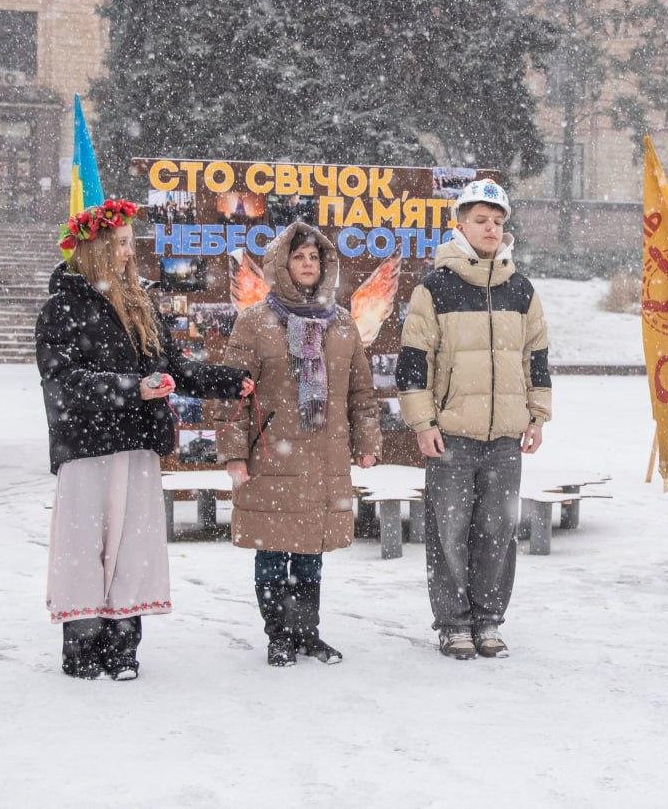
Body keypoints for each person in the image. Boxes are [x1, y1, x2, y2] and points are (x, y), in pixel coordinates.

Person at [36, 199, 252, 680]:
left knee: (132, 547)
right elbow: (62, 382)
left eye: (131, 244)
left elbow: (174, 369)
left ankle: (122, 649)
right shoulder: (62, 307)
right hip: (87, 448)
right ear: (94, 248)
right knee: (83, 546)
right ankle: (82, 648)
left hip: (137, 445)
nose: (130, 254)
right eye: (121, 244)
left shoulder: (141, 305)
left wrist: (226, 381)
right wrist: (133, 388)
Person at [396, 179, 551, 659]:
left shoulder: (521, 290)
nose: (490, 228)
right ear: (460, 225)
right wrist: (423, 424)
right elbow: (412, 363)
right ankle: (453, 623)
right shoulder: (435, 288)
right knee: (449, 533)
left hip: (505, 437)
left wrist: (537, 416)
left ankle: (488, 620)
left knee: (499, 532)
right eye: (481, 220)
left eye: (498, 221)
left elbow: (537, 358)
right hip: (453, 437)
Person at [216, 221, 381, 667]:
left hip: (324, 459)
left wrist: (367, 440)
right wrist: (234, 452)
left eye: (314, 257)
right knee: (272, 551)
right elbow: (234, 394)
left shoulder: (343, 324)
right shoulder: (255, 322)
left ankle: (307, 634)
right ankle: (279, 636)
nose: (307, 264)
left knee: (311, 552)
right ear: (282, 264)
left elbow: (361, 393)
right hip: (272, 455)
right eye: (298, 257)